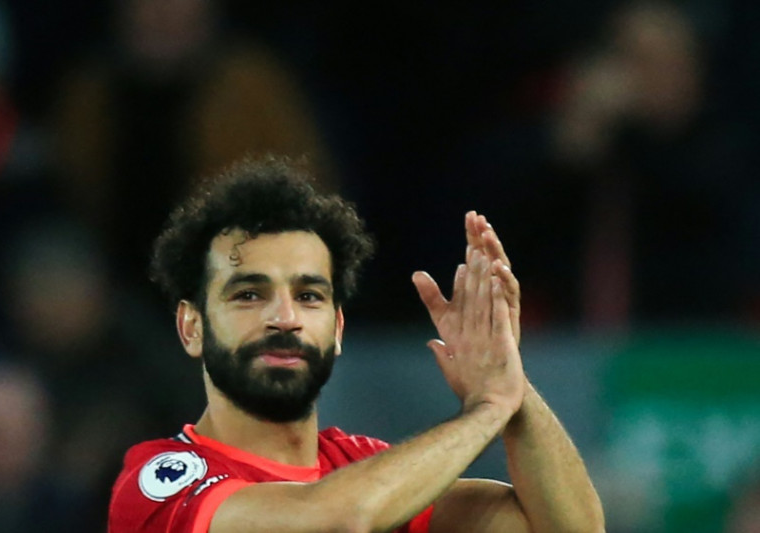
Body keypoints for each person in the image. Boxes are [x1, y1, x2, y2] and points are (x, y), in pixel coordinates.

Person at [108, 156, 604, 532]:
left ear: (338, 328)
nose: (285, 319)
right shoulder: (162, 485)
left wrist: (510, 383)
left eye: (309, 296)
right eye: (249, 295)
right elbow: (336, 520)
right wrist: (488, 408)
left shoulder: (364, 469)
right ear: (192, 327)